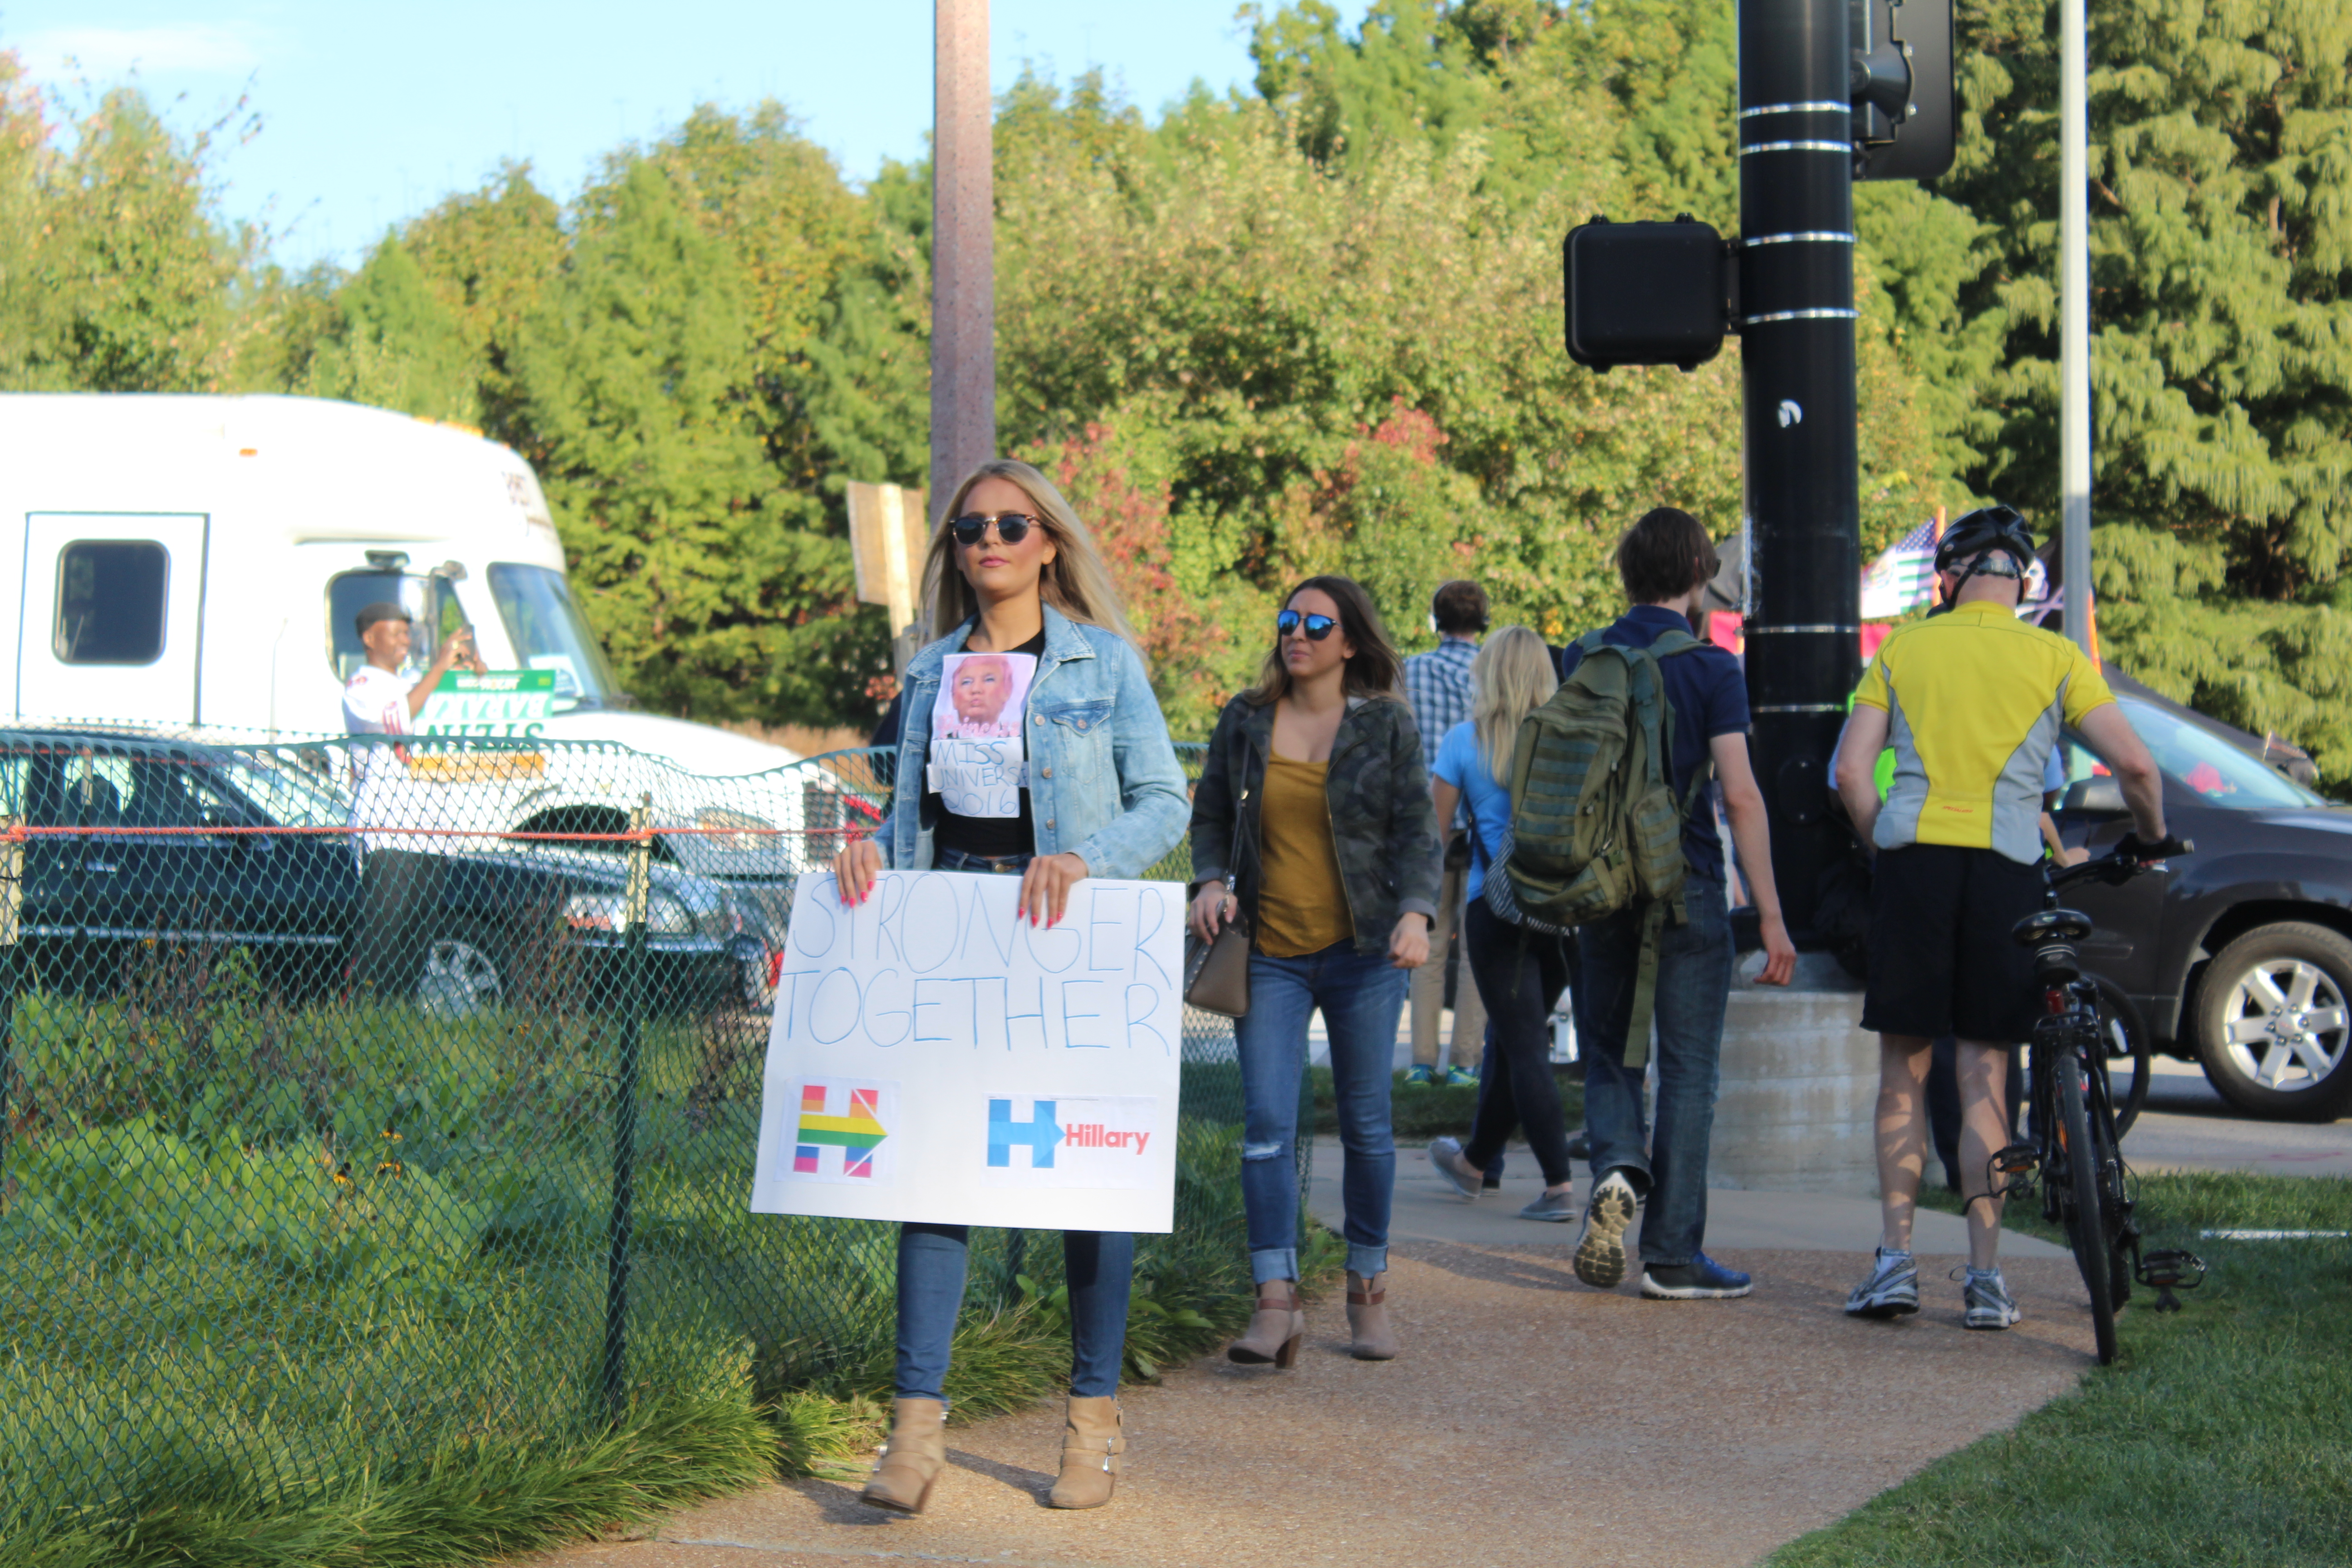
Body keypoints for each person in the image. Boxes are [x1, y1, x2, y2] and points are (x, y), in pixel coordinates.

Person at [833, 459, 1188, 1514]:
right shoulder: (930, 672)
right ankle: (914, 1431)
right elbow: (902, 809)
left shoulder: (1103, 666)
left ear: (1048, 543)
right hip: (953, 934)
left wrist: (1087, 859)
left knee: (1086, 1181)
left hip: (1067, 940)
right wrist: (865, 857)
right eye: (970, 527)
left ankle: (1089, 1418)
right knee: (933, 1175)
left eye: (1010, 524)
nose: (987, 540)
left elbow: (1164, 800)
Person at [1832, 504, 2169, 1330]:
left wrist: (1887, 842)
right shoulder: (2053, 655)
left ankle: (1894, 1262)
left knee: (1901, 1075)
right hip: (2007, 868)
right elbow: (2132, 763)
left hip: (1914, 863)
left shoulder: (1905, 648)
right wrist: (2151, 838)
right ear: (2023, 582)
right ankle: (1984, 1278)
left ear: (1945, 580)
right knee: (1983, 1073)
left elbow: (1848, 772)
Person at [1190, 576, 1438, 1365]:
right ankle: (1275, 1301)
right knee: (1264, 1130)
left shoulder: (1385, 726)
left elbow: (1415, 833)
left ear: (1350, 641)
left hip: (1364, 956)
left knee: (1365, 1129)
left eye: (1315, 624)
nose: (1296, 634)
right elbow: (1210, 816)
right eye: (1288, 620)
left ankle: (1367, 1288)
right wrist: (1208, 881)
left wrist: (1415, 911)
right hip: (1267, 953)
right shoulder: (1246, 719)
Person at [1566, 507, 1798, 1300]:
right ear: (1698, 574)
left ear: (1626, 574)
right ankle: (1671, 1256)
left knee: (1607, 1053)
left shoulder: (1583, 655)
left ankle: (1616, 1164)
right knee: (1689, 1070)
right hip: (1687, 885)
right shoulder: (1711, 668)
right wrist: (1767, 913)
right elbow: (1738, 795)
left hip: (1598, 887)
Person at [1422, 627, 1582, 1220]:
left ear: (1488, 677)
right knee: (1512, 1038)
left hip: (1498, 908)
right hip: (1567, 914)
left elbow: (1433, 838)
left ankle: (1560, 1187)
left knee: (1522, 1044)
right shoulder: (1571, 740)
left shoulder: (1466, 742)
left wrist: (1420, 911)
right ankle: (1477, 1163)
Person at [343, 601, 484, 995]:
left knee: (414, 949)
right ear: (370, 638)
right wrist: (440, 669)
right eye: (396, 632)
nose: (406, 640)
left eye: (408, 633)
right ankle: (360, 1021)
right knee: (382, 940)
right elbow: (395, 723)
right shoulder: (362, 686)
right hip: (388, 831)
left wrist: (474, 672)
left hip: (432, 831)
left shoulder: (415, 681)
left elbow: (469, 707)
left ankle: (394, 1030)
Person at [1401, 579, 1490, 1088]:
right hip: (1478, 824)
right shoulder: (1488, 674)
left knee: (1428, 944)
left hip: (1425, 825)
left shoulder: (1409, 671)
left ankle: (1420, 1060)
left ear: (1436, 620)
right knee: (1475, 950)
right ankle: (1465, 1061)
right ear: (1482, 622)